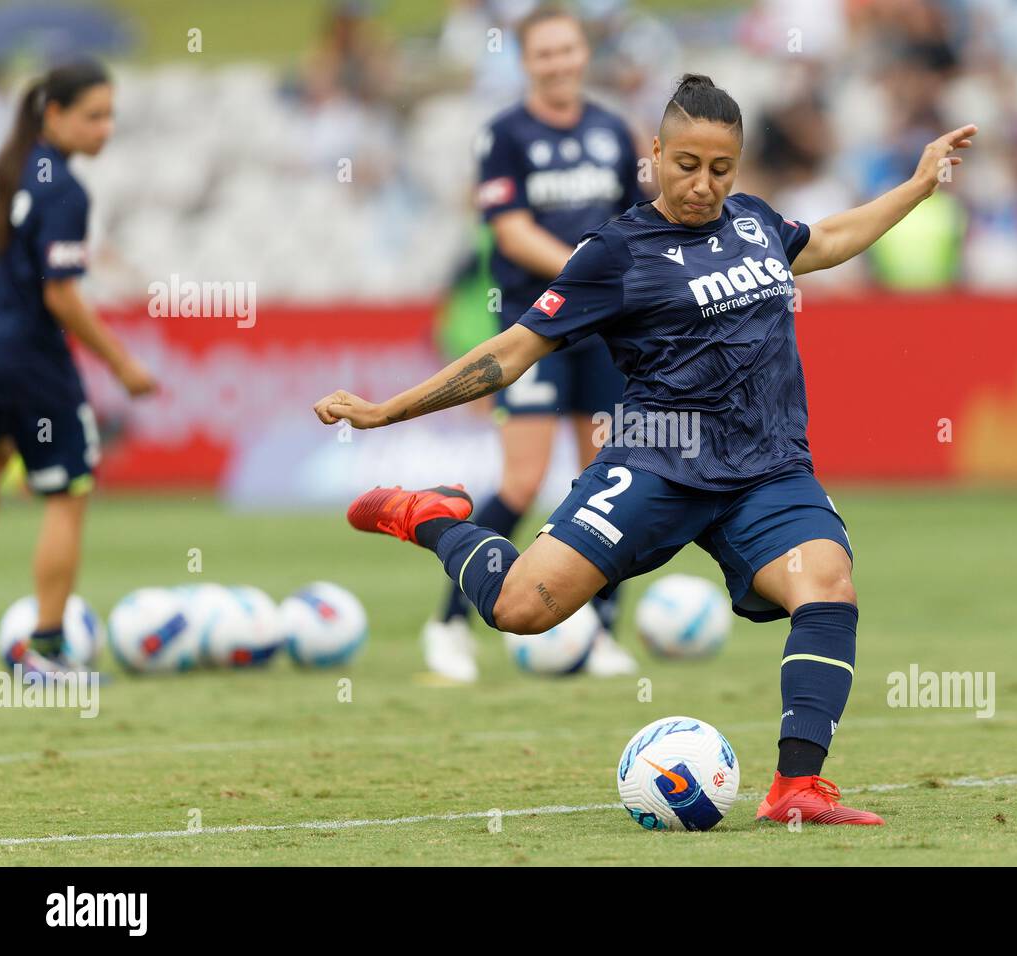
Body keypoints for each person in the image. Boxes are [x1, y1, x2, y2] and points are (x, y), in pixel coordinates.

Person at [314, 74, 975, 826]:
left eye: (721, 169)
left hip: (767, 469)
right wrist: (389, 409)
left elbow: (827, 241)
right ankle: (428, 514)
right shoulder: (616, 253)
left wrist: (919, 186)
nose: (703, 184)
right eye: (686, 165)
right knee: (519, 609)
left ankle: (798, 788)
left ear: (739, 165)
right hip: (657, 463)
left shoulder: (756, 224)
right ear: (656, 153)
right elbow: (514, 350)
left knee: (828, 588)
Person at [424, 5, 643, 681]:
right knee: (521, 480)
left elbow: (633, 223)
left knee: (611, 483)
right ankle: (450, 624)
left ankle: (601, 630)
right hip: (534, 327)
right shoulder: (504, 135)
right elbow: (511, 232)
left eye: (567, 50)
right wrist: (588, 274)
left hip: (604, 333)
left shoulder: (612, 132)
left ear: (583, 53)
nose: (558, 62)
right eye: (544, 53)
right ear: (526, 61)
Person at [0, 61, 157, 673]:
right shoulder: (63, 188)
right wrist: (122, 366)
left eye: (111, 115)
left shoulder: (8, 174)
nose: (106, 128)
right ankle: (45, 651)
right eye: (93, 115)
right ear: (54, 115)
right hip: (31, 362)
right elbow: (60, 293)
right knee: (67, 494)